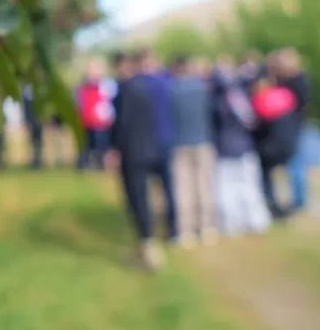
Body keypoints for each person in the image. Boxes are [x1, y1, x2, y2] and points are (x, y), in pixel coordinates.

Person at [109, 49, 177, 270]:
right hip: (159, 146)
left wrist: (115, 149)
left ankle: (148, 243)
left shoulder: (127, 88)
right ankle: (171, 230)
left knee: (138, 195)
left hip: (135, 150)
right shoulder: (162, 85)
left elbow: (122, 123)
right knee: (165, 189)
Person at [210, 56, 271, 236]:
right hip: (241, 147)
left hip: (227, 147)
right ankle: (252, 221)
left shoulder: (216, 98)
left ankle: (233, 224)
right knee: (246, 186)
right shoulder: (237, 97)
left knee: (229, 188)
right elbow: (250, 121)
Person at [167, 56, 216, 246]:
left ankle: (185, 231)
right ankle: (207, 227)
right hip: (203, 141)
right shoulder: (203, 88)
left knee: (183, 188)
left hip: (179, 144)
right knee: (204, 185)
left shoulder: (170, 89)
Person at [251, 72, 300, 219]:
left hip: (273, 148)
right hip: (290, 144)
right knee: (287, 176)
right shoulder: (285, 95)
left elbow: (259, 128)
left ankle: (272, 206)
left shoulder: (261, 101)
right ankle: (288, 206)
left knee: (266, 176)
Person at [272, 47, 312, 214]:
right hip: (287, 129)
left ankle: (300, 201)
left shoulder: (298, 80)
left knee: (296, 165)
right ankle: (296, 199)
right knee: (293, 165)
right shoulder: (285, 80)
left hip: (294, 128)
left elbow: (301, 104)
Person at [75, 58, 115, 170]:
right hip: (85, 121)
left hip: (100, 122)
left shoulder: (106, 87)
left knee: (100, 145)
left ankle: (100, 163)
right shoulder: (83, 88)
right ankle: (83, 164)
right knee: (85, 145)